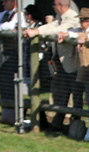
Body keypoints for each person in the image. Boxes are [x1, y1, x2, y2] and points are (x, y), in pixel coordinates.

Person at [24, 0, 79, 132]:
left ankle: (76, 125)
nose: (53, 7)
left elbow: (58, 29)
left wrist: (37, 32)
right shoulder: (61, 17)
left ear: (61, 5)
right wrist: (36, 30)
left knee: (76, 94)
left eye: (54, 5)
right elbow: (53, 25)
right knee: (60, 92)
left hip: (72, 62)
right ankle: (57, 123)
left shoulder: (72, 17)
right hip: (60, 61)